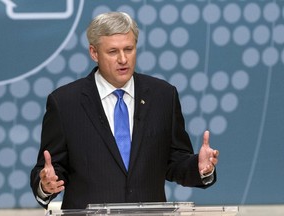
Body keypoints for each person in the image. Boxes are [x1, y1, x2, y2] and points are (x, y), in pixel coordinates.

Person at [30, 11, 219, 210]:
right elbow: (51, 168)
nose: (123, 59)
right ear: (94, 53)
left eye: (129, 49)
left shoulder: (163, 96)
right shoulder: (65, 103)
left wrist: (199, 167)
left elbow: (176, 162)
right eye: (113, 52)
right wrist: (46, 185)